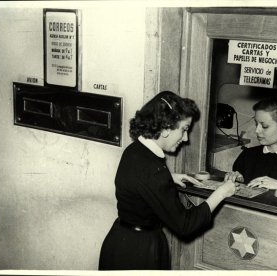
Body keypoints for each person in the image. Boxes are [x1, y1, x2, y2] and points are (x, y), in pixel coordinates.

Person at [99, 91, 237, 270]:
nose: (186, 138)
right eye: (184, 129)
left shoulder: (134, 150)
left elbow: (138, 181)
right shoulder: (155, 171)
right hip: (142, 251)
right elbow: (185, 225)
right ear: (164, 129)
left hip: (119, 242)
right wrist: (221, 193)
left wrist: (169, 178)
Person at [224, 96, 277, 193]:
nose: (257, 130)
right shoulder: (248, 155)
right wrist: (237, 180)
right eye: (256, 124)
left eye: (264, 126)